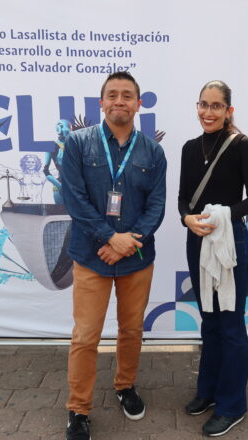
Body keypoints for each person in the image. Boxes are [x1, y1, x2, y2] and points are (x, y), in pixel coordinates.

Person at [61, 71, 167, 440]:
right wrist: (110, 238)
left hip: (136, 259)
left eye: (127, 95)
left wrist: (126, 242)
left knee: (131, 330)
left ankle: (125, 386)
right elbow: (74, 199)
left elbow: (156, 206)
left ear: (138, 104)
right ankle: (78, 409)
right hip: (92, 257)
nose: (119, 101)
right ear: (101, 103)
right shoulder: (78, 144)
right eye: (112, 95)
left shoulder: (153, 152)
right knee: (85, 336)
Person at [178, 80, 248, 437]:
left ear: (229, 111)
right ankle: (209, 391)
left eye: (216, 106)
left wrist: (221, 216)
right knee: (209, 321)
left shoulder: (241, 145)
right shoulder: (189, 148)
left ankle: (232, 406)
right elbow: (183, 198)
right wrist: (187, 218)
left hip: (230, 242)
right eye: (203, 104)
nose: (208, 112)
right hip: (197, 241)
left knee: (230, 322)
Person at [44, 119, 72, 204]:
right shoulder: (52, 146)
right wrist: (59, 186)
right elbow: (46, 170)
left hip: (75, 186)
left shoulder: (75, 145)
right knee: (60, 211)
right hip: (60, 184)